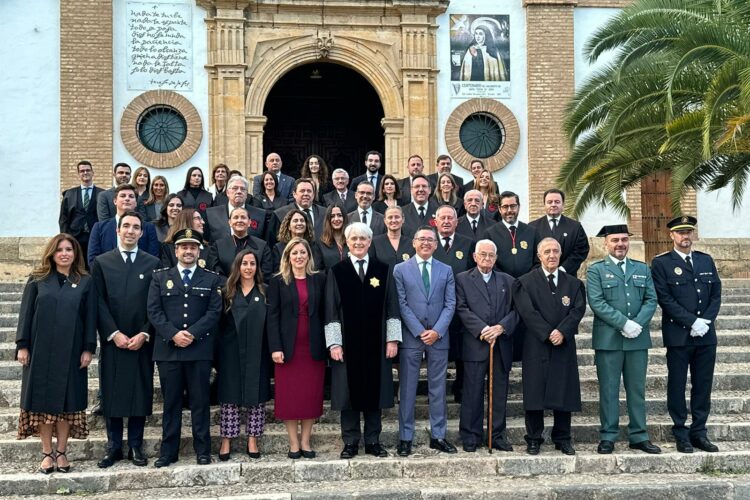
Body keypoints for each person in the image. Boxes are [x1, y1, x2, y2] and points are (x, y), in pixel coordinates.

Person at [16, 234, 96, 474]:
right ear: (51, 253)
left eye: (69, 250)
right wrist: (22, 345)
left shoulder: (84, 281)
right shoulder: (37, 279)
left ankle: (61, 452)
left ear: (75, 254)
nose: (64, 253)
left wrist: (88, 348)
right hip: (40, 352)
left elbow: (90, 317)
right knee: (43, 406)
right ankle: (46, 454)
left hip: (72, 354)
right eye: (59, 249)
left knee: (67, 405)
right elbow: (26, 314)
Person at [147, 228, 223, 467]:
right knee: (171, 404)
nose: (188, 251)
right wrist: (173, 334)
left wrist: (191, 333)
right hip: (169, 351)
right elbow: (154, 311)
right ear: (176, 250)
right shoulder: (159, 277)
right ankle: (168, 452)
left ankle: (203, 450)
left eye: (193, 247)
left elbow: (214, 312)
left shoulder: (211, 279)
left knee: (200, 402)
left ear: (199, 250)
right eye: (184, 247)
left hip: (198, 350)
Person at [324, 222, 402, 459]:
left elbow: (392, 306)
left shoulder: (383, 270)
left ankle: (373, 441)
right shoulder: (337, 271)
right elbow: (331, 310)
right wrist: (334, 343)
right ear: (347, 242)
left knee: (374, 390)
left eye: (363, 239)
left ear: (370, 242)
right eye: (354, 239)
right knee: (348, 393)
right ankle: (350, 442)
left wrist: (392, 340)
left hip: (377, 344)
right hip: (347, 345)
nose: (358, 243)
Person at [91, 212, 160, 468]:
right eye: (126, 226)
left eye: (136, 227)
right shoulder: (102, 262)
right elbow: (97, 302)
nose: (131, 231)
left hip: (141, 339)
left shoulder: (152, 263)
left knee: (139, 391)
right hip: (114, 340)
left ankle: (135, 444)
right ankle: (113, 446)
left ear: (142, 233)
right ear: (117, 231)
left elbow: (155, 304)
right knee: (112, 391)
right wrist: (113, 333)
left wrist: (144, 332)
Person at [587, 224, 661, 455]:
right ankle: (608, 436)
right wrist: (623, 323)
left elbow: (651, 299)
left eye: (624, 240)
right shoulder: (595, 270)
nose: (620, 244)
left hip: (637, 339)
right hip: (608, 340)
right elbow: (597, 302)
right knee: (608, 390)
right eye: (615, 240)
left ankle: (639, 435)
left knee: (637, 389)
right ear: (605, 243)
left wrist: (637, 324)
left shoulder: (642, 268)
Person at [651, 216, 722, 453]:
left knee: (703, 385)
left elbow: (716, 294)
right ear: (671, 235)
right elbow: (665, 298)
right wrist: (691, 321)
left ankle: (699, 432)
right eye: (680, 233)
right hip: (679, 336)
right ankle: (680, 431)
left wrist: (705, 321)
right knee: (677, 384)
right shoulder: (661, 263)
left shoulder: (705, 260)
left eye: (689, 232)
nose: (685, 237)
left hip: (706, 335)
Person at [512, 237, 586, 456]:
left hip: (563, 344)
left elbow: (577, 310)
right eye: (547, 251)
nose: (552, 255)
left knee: (564, 390)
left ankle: (562, 437)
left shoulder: (573, 283)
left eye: (555, 251)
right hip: (536, 344)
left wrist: (562, 331)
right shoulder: (525, 282)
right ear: (539, 255)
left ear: (560, 254)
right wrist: (547, 333)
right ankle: (534, 437)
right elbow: (527, 312)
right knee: (534, 392)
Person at [393, 226, 457, 456]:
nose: (426, 243)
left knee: (437, 389)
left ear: (436, 244)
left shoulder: (446, 270)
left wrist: (437, 331)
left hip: (439, 338)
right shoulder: (400, 270)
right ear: (413, 243)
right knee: (408, 388)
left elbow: (451, 304)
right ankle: (405, 437)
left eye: (430, 240)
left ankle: (438, 436)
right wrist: (420, 331)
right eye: (422, 239)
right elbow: (401, 304)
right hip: (412, 336)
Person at [455, 239, 518, 452]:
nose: (487, 258)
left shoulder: (508, 281)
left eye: (491, 255)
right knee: (472, 391)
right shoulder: (462, 280)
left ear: (496, 258)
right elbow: (461, 309)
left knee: (499, 392)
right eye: (483, 254)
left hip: (500, 345)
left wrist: (500, 328)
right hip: (475, 344)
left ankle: (496, 435)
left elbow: (516, 310)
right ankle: (471, 436)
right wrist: (483, 330)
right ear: (474, 256)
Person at [267, 238, 327, 459]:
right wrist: (275, 347)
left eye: (303, 252)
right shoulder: (278, 281)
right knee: (290, 398)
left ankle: (306, 441)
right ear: (288, 257)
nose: (299, 256)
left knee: (310, 396)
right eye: (295, 253)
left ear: (308, 256)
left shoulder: (319, 279)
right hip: (288, 349)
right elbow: (272, 317)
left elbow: (325, 312)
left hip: (313, 348)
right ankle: (293, 444)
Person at [216, 250, 271, 460]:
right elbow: (219, 325)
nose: (248, 267)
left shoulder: (264, 291)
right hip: (231, 351)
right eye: (244, 263)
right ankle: (226, 441)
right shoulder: (227, 292)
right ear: (237, 266)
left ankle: (252, 440)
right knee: (229, 396)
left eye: (252, 264)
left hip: (258, 350)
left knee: (256, 397)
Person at [483, 191, 540, 362]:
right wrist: (506, 280)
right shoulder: (491, 232)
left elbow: (538, 260)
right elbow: (489, 261)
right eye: (505, 207)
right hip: (501, 288)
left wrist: (526, 280)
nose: (509, 210)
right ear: (499, 209)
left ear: (519, 207)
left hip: (527, 288)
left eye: (513, 206)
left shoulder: (531, 231)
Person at [432, 205, 475, 403]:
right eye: (443, 218)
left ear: (457, 222)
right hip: (435, 310)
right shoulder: (429, 244)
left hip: (461, 309)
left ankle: (462, 390)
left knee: (462, 353)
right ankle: (436, 393)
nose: (447, 221)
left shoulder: (468, 244)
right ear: (436, 221)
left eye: (451, 218)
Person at [88, 184, 160, 266]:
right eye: (123, 196)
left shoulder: (148, 227)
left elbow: (153, 258)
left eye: (131, 196)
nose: (127, 199)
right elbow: (93, 260)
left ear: (136, 203)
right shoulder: (99, 228)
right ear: (115, 201)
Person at [529, 188, 590, 277]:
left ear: (563, 204)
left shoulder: (575, 227)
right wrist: (541, 271)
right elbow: (530, 253)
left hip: (567, 276)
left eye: (557, 202)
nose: (553, 205)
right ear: (544, 204)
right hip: (540, 277)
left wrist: (563, 269)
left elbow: (581, 250)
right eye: (550, 202)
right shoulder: (532, 227)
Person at [208, 207, 273, 279]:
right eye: (236, 217)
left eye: (243, 217)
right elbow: (214, 271)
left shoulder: (262, 246)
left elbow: (266, 273)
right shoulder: (218, 246)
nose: (239, 220)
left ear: (249, 222)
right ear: (230, 222)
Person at [59, 160, 103, 265]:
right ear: (78, 174)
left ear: (93, 172)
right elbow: (63, 218)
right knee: (75, 265)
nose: (85, 172)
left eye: (88, 170)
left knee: (93, 264)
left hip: (95, 236)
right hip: (74, 236)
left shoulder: (102, 194)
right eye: (82, 171)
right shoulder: (69, 194)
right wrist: (65, 237)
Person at [205, 176, 268, 242]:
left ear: (246, 194)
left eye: (243, 189)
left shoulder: (260, 214)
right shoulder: (211, 214)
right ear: (227, 193)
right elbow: (206, 241)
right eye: (235, 188)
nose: (239, 192)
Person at [272, 208, 322, 273]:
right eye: (295, 221)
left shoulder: (314, 246)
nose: (299, 223)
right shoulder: (278, 248)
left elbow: (318, 268)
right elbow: (277, 272)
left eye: (302, 220)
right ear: (289, 226)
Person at [317, 203, 349, 271]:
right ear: (328, 220)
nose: (336, 219)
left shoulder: (351, 241)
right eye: (332, 216)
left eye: (339, 215)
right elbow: (319, 269)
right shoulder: (320, 243)